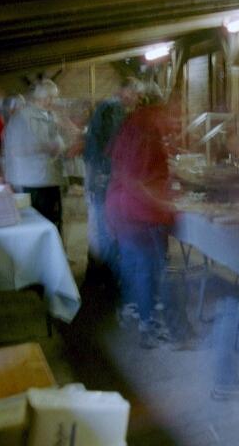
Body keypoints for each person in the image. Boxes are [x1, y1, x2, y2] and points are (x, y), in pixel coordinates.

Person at [105, 83, 193, 349]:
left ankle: (134, 310)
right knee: (150, 270)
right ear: (166, 109)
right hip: (139, 213)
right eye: (177, 115)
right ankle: (150, 327)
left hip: (121, 208)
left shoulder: (135, 121)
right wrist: (163, 202)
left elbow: (118, 163)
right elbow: (136, 179)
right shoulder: (148, 132)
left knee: (134, 265)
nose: (178, 123)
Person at [82, 77, 143, 290]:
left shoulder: (109, 107)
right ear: (126, 92)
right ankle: (106, 280)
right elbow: (114, 146)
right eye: (135, 94)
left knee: (100, 227)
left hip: (98, 173)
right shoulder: (114, 109)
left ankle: (96, 276)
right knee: (105, 227)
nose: (137, 99)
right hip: (103, 176)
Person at [2, 79, 66, 231]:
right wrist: (43, 147)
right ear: (40, 97)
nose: (53, 101)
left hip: (50, 178)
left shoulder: (50, 116)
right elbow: (14, 150)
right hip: (32, 182)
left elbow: (58, 140)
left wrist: (60, 146)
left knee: (55, 222)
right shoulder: (22, 118)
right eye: (50, 97)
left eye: (54, 97)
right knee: (39, 224)